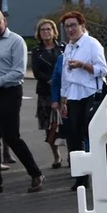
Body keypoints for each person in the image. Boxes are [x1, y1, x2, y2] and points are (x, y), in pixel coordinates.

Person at [0, 9, 44, 195]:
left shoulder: (16, 41)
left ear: (4, 21)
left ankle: (36, 173)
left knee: (11, 136)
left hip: (9, 92)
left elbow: (18, 71)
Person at [56, 10, 107, 191]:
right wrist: (63, 99)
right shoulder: (69, 46)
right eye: (67, 26)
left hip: (91, 93)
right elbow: (65, 74)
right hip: (72, 95)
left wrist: (82, 65)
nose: (70, 29)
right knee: (73, 136)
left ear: (82, 26)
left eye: (73, 25)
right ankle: (81, 177)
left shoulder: (92, 44)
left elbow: (102, 70)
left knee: (91, 134)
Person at [31, 19, 64, 168]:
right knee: (49, 126)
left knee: (67, 124)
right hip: (45, 91)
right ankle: (56, 156)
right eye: (42, 30)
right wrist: (50, 79)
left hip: (63, 91)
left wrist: (59, 80)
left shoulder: (63, 48)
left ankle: (73, 154)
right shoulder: (37, 52)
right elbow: (36, 71)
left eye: (48, 29)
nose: (46, 32)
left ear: (54, 31)